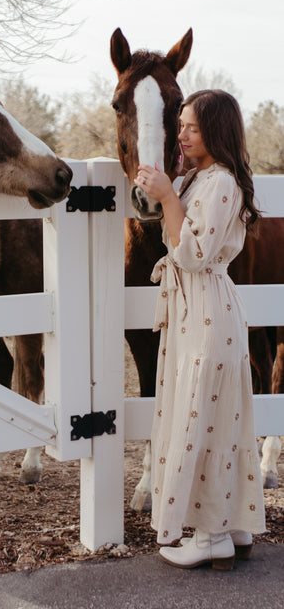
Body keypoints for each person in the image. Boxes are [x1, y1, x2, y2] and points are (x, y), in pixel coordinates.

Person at [135, 89, 266, 570]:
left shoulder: (222, 184)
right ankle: (231, 527)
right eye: (182, 125)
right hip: (196, 310)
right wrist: (167, 190)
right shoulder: (202, 179)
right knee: (215, 419)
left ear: (218, 130)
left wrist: (169, 194)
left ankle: (211, 535)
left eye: (192, 126)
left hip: (207, 310)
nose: (183, 134)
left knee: (202, 420)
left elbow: (191, 253)